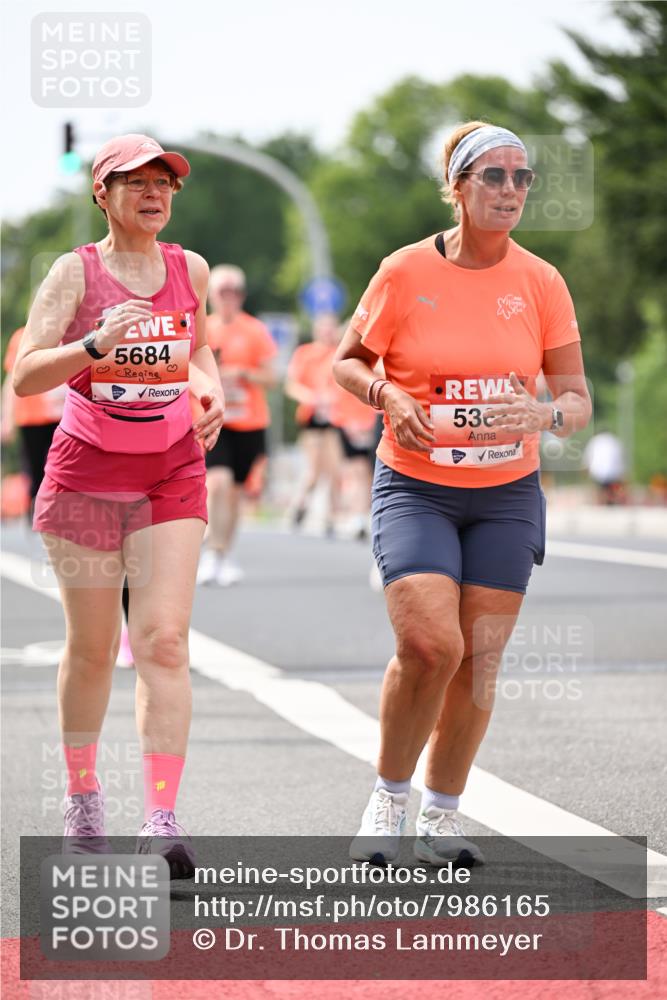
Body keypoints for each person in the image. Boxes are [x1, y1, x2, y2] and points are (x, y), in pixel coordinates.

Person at [333, 121, 592, 865]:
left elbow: (576, 398)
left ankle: (442, 816)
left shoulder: (539, 281)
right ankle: (387, 799)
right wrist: (386, 393)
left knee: (478, 658)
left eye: (521, 178)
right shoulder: (404, 272)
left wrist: (546, 414)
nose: (510, 190)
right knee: (427, 645)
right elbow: (345, 363)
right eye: (493, 176)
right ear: (457, 187)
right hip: (417, 485)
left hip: (506, 491)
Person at [12, 134, 224, 876]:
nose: (153, 194)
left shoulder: (186, 268)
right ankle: (82, 798)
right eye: (133, 183)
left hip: (172, 472)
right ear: (101, 195)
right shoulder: (74, 272)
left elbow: (200, 348)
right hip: (85, 476)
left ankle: (160, 820)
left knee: (163, 641)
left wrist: (211, 385)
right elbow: (26, 376)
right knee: (95, 649)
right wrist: (94, 343)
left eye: (164, 183)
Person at [197, 265, 277, 586]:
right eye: (222, 292)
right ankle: (212, 551)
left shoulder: (255, 330)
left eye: (235, 292)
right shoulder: (202, 329)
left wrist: (243, 374)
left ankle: (224, 554)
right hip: (214, 420)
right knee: (216, 483)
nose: (229, 299)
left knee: (233, 493)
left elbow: (272, 378)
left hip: (250, 422)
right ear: (211, 296)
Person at [285, 313, 344, 536]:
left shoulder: (339, 354)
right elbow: (292, 385)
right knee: (314, 468)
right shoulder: (305, 353)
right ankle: (300, 504)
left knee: (334, 468)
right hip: (311, 416)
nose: (328, 332)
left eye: (332, 327)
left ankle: (330, 516)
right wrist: (311, 397)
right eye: (324, 327)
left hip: (335, 416)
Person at [2, 326, 66, 512]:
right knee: (35, 467)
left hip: (60, 416)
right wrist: (7, 418)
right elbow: (11, 380)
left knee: (58, 466)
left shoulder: (66, 334)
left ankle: (57, 508)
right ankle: (36, 506)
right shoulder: (21, 336)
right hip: (30, 416)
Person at [583, 430, 626, 505]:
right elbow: (620, 459)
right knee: (611, 489)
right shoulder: (615, 440)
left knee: (600, 489)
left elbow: (588, 458)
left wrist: (586, 469)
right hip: (613, 472)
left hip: (598, 472)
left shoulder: (594, 441)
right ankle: (610, 500)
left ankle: (601, 502)